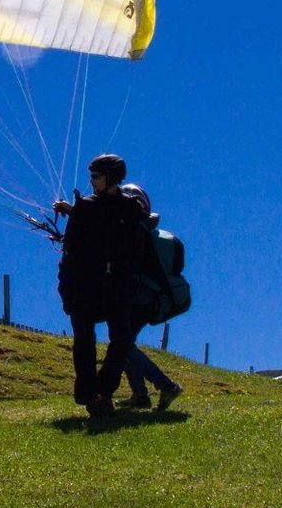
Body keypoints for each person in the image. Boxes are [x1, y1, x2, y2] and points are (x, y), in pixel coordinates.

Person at [53, 154, 147, 418]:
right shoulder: (84, 207)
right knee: (84, 340)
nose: (91, 182)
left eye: (96, 177)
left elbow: (136, 248)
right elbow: (70, 250)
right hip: (85, 287)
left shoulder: (130, 209)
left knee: (122, 340)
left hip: (116, 287)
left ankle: (103, 391)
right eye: (91, 177)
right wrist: (66, 289)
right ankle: (88, 394)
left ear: (111, 178)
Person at [117, 182, 184, 411]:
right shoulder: (146, 228)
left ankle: (166, 386)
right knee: (124, 344)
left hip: (139, 297)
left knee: (122, 344)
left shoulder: (135, 230)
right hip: (149, 296)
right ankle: (140, 395)